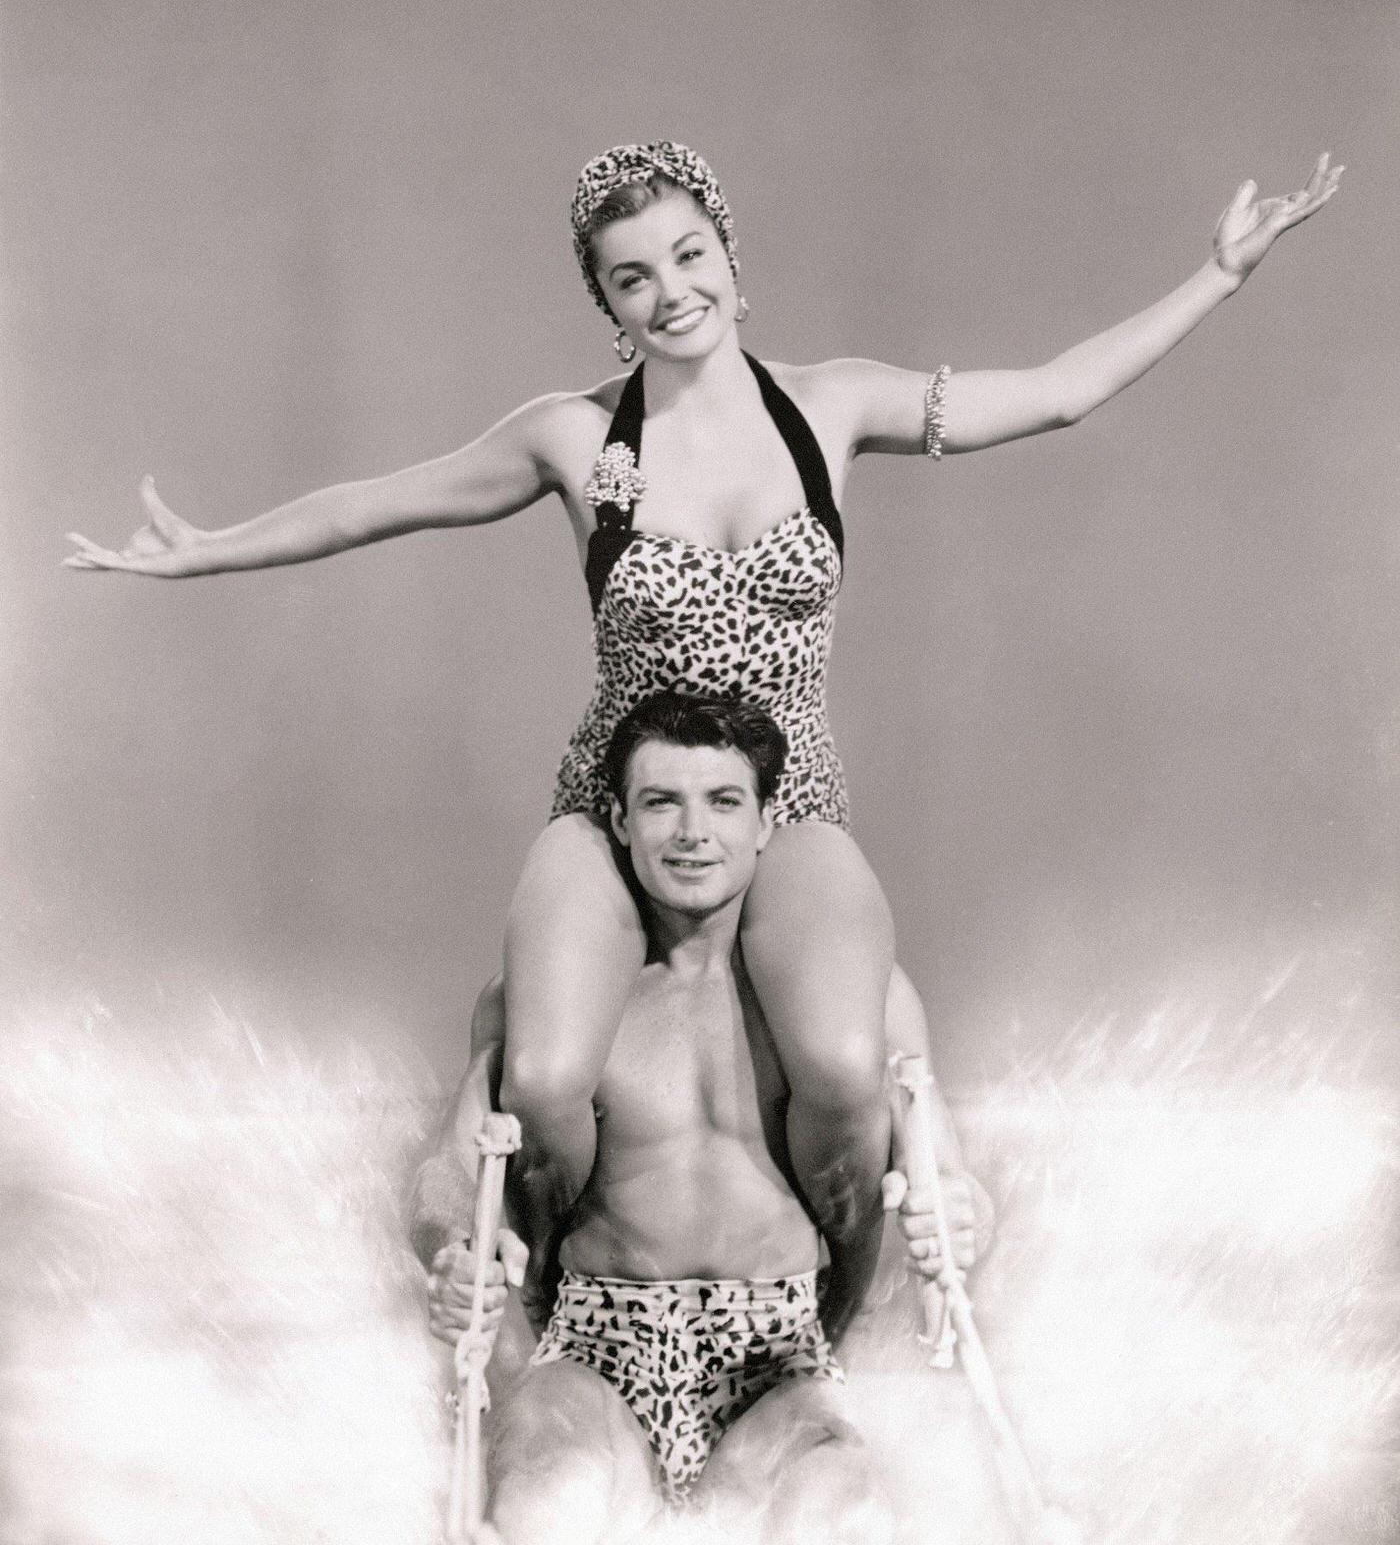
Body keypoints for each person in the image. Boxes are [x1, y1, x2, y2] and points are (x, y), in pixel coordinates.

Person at [66, 140, 1341, 1322]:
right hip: (615, 805)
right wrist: (206, 556)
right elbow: (371, 507)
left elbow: (1059, 395)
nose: (669, 292)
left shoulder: (831, 408)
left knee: (843, 1070)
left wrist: (1214, 279)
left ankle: (819, 1321)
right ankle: (559, 1300)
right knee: (552, 1077)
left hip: (787, 805)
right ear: (606, 304)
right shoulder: (574, 438)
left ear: (731, 256)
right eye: (632, 278)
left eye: (686, 257)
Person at [410, 690, 992, 1545]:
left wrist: (959, 1215)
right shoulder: (557, 1000)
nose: (692, 832)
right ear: (618, 818)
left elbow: (949, 1178)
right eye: (661, 802)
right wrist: (451, 1250)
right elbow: (451, 1168)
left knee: (850, 1521)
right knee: (538, 1511)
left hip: (777, 1359)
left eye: (723, 801)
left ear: (768, 822)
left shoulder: (862, 997)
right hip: (598, 1355)